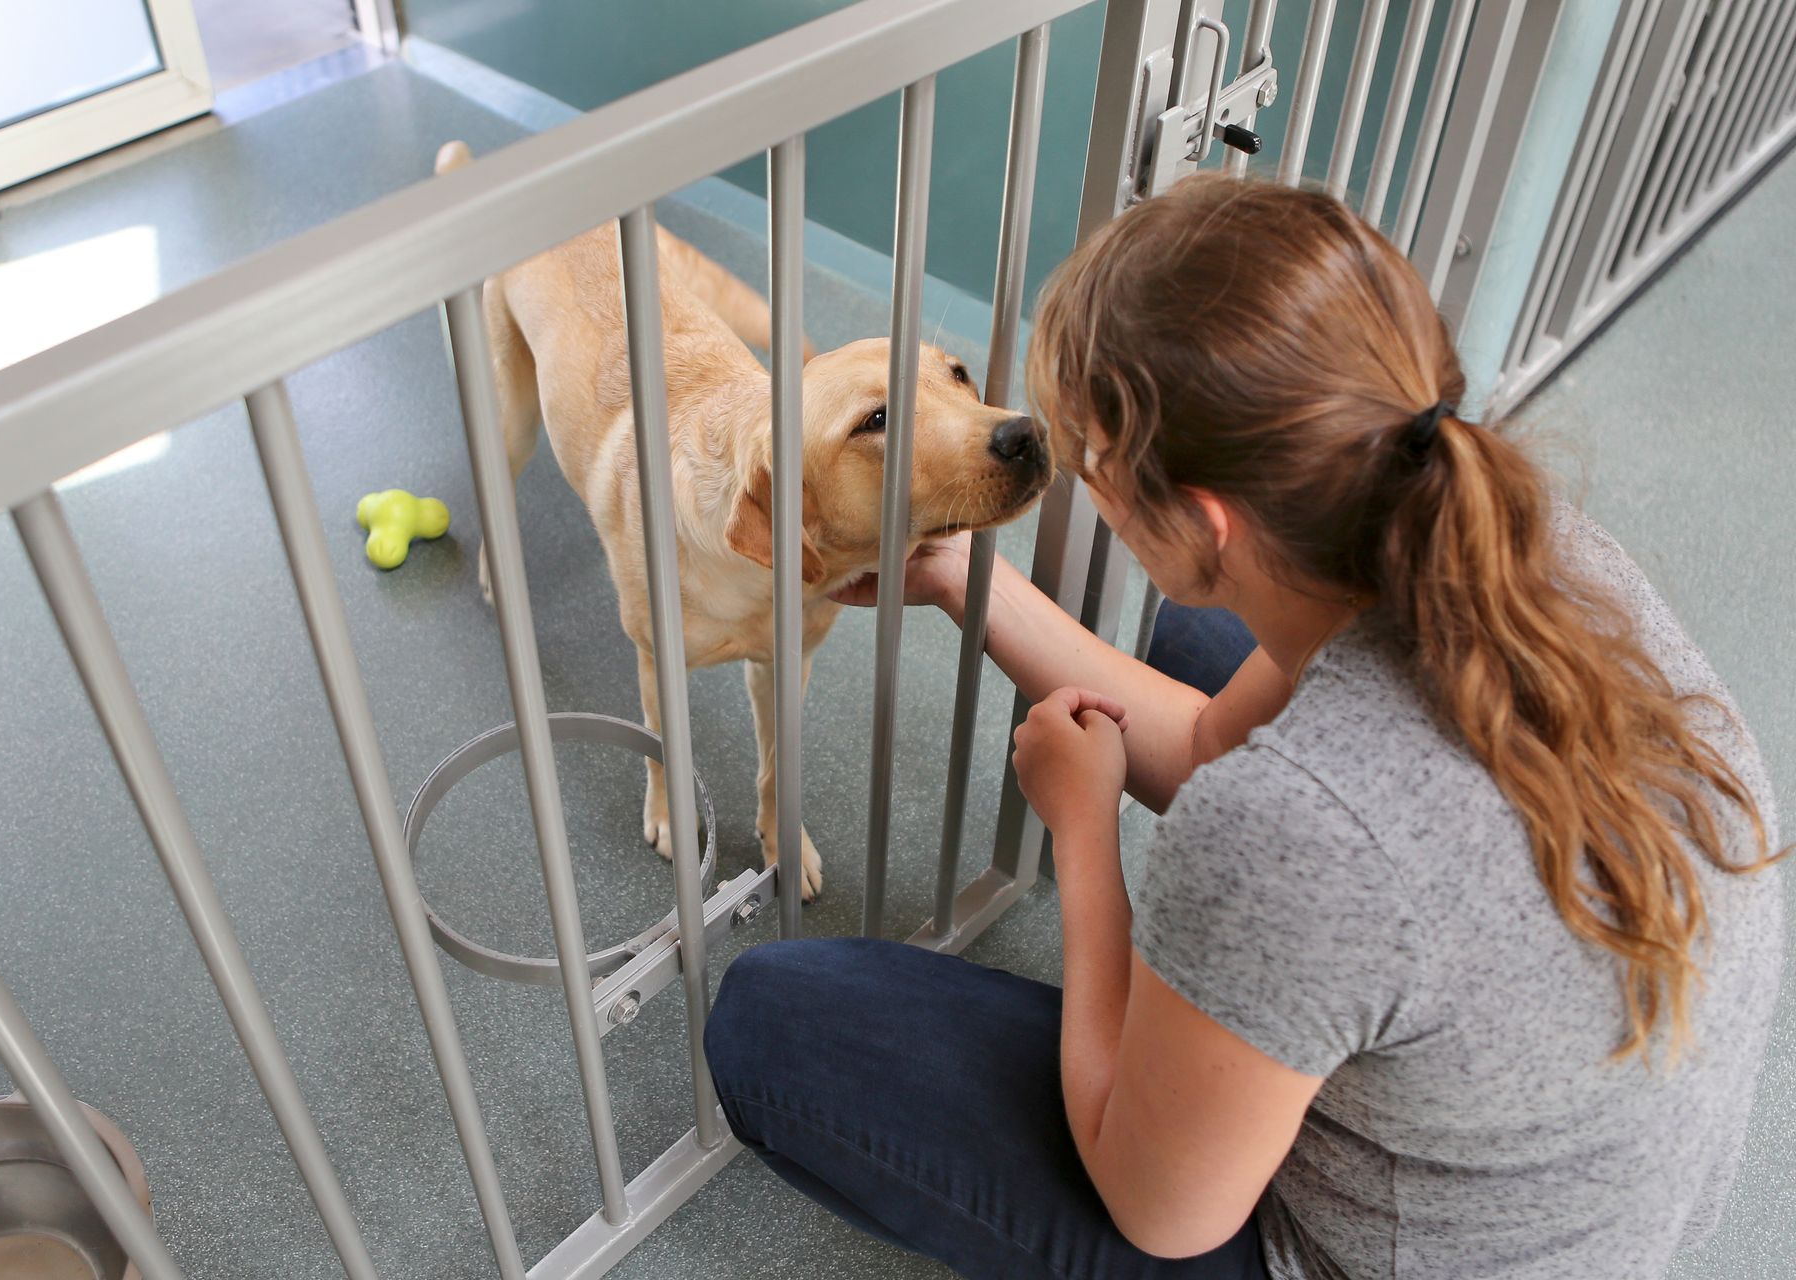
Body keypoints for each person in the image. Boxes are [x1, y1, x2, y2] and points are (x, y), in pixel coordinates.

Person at [702, 175, 1785, 1280]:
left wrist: (1083, 835)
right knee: (1200, 648)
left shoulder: (1291, 831)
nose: (1071, 474)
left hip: (1383, 1252)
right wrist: (953, 576)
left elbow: (1156, 1210)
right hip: (1586, 1189)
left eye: (1097, 465)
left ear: (1204, 519)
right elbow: (1221, 736)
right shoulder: (1516, 533)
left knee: (770, 1023)